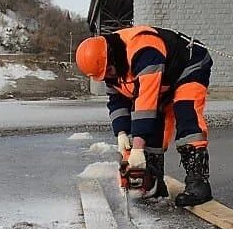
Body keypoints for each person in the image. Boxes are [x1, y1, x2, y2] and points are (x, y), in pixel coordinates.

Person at [75, 25, 213, 207]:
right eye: (104, 75)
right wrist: (122, 133)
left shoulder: (143, 50)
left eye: (109, 71)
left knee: (186, 112)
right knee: (154, 125)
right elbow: (118, 103)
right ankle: (154, 184)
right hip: (164, 77)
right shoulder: (109, 71)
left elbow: (146, 102)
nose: (109, 76)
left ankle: (198, 183)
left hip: (188, 65)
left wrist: (138, 148)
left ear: (111, 56)